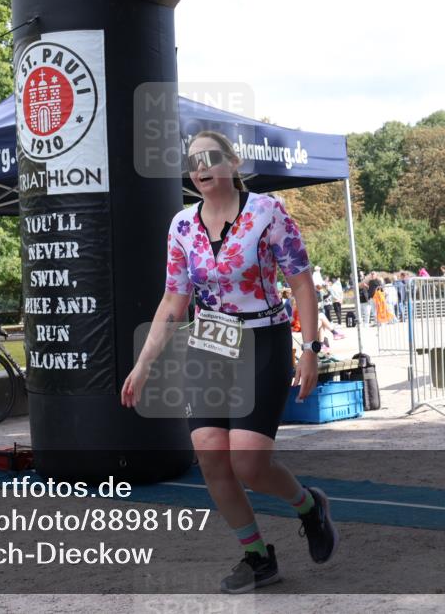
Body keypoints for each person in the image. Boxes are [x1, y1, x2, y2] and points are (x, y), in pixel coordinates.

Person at [121, 130, 338, 594]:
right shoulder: (181, 226)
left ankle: (308, 506)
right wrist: (142, 366)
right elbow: (173, 301)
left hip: (263, 339)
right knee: (212, 456)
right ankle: (258, 557)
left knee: (249, 463)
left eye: (210, 157)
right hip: (209, 342)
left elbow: (302, 284)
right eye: (193, 160)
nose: (200, 167)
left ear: (233, 162)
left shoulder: (267, 211)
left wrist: (311, 350)